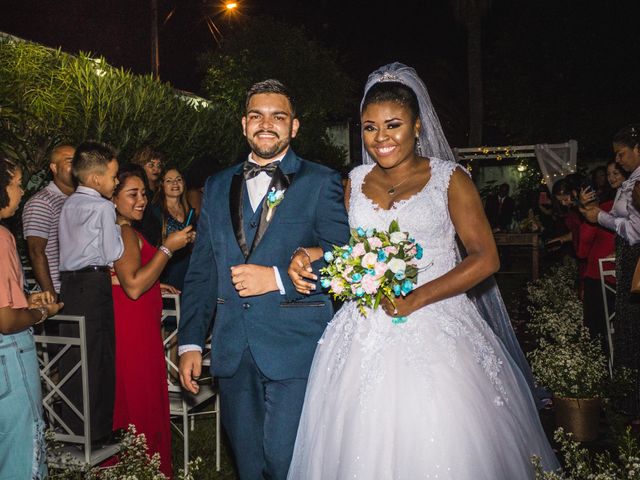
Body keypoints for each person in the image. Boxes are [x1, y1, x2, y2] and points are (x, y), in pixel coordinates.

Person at [286, 63, 558, 479]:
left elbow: (485, 258)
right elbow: (350, 248)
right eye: (369, 128)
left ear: (417, 126)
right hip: (364, 326)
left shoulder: (450, 179)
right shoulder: (354, 182)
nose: (381, 138)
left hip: (438, 321)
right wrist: (308, 253)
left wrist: (416, 299)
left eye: (392, 125)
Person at [177, 79, 350, 480]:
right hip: (232, 348)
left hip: (296, 345)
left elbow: (344, 259)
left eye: (278, 116)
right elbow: (202, 271)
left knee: (285, 459)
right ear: (243, 124)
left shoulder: (320, 181)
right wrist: (189, 341)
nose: (266, 124)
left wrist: (276, 278)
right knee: (250, 465)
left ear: (294, 127)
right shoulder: (218, 186)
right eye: (257, 116)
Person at [110, 166, 194, 477]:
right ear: (113, 197)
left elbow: (121, 278)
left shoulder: (117, 230)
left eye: (144, 193)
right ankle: (143, 469)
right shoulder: (124, 232)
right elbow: (132, 285)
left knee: (136, 402)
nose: (142, 200)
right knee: (140, 404)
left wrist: (156, 283)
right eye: (132, 194)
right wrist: (167, 249)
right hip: (134, 334)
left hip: (136, 328)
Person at [0, 155, 63, 479]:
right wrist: (40, 312)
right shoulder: (2, 237)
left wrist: (24, 298)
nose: (22, 191)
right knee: (22, 454)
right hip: (8, 356)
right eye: (17, 183)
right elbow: (6, 320)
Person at [58, 141, 123, 441]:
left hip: (69, 286)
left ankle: (72, 426)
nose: (117, 181)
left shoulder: (68, 204)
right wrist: (119, 228)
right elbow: (112, 252)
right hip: (95, 284)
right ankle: (98, 432)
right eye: (114, 176)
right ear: (96, 179)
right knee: (99, 356)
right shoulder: (102, 207)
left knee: (75, 355)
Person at [581, 124, 640, 417]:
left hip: (634, 256)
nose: (618, 160)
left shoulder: (638, 183)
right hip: (626, 258)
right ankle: (628, 398)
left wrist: (600, 217)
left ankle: (632, 403)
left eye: (622, 153)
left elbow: (634, 231)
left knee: (631, 327)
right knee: (627, 327)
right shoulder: (632, 181)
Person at [577, 160, 627, 351]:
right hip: (602, 277)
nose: (612, 177)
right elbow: (582, 251)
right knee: (602, 331)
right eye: (609, 174)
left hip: (617, 276)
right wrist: (588, 214)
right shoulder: (605, 208)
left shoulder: (625, 209)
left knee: (614, 330)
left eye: (617, 173)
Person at [23, 144, 75, 297]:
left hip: (79, 290)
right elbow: (36, 251)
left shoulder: (78, 200)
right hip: (60, 291)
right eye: (70, 161)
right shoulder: (42, 202)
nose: (77, 166)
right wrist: (51, 294)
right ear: (54, 167)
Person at [148, 167, 196, 291]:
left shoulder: (189, 211)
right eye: (169, 180)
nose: (175, 183)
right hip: (165, 270)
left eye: (178, 179)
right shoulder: (155, 211)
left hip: (187, 270)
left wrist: (194, 238)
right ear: (162, 185)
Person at [134, 146, 165, 247]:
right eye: (151, 165)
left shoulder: (161, 190)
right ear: (140, 166)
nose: (156, 169)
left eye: (159, 165)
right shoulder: (137, 192)